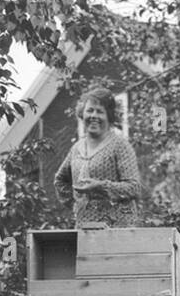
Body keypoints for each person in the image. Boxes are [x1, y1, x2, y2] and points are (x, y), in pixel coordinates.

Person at [54, 86, 142, 226]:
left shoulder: (120, 146)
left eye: (100, 112)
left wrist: (100, 187)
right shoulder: (76, 148)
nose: (94, 116)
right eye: (90, 110)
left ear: (109, 116)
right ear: (82, 114)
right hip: (84, 227)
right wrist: (75, 204)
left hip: (117, 229)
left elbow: (134, 187)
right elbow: (60, 180)